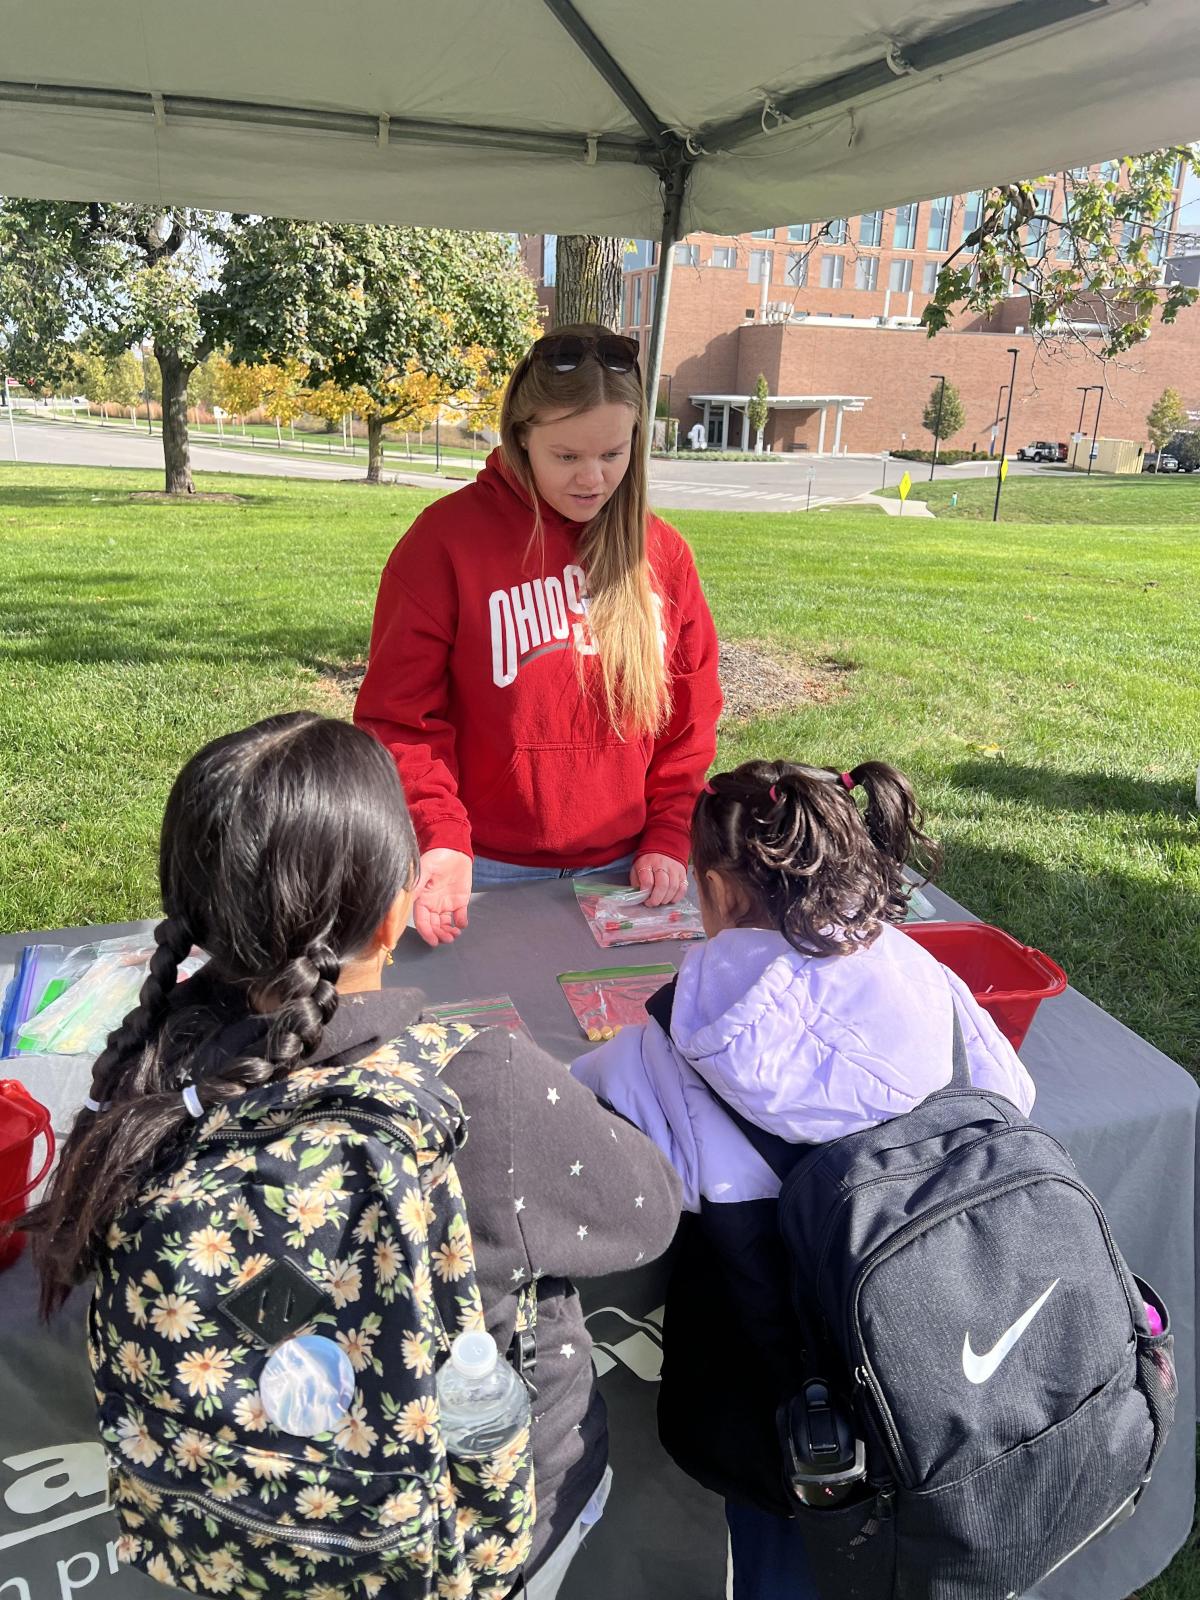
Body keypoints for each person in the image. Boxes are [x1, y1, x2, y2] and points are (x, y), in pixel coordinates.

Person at [26, 713, 681, 1600]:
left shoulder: (147, 1071)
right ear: (395, 907)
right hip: (468, 1531)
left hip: (233, 1532)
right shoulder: (481, 1083)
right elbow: (647, 1213)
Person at [572, 757, 1035, 1600]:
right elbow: (1012, 1093)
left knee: (790, 1572)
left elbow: (595, 1139)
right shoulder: (928, 979)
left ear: (712, 891)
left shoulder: (673, 1044)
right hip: (962, 1376)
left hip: (799, 1418)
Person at [355, 324, 721, 948]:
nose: (593, 479)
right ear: (522, 437)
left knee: (619, 1041)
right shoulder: (445, 542)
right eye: (567, 456)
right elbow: (399, 718)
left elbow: (688, 719)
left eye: (612, 454)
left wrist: (669, 831)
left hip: (630, 867)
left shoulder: (661, 553)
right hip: (483, 866)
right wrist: (440, 833)